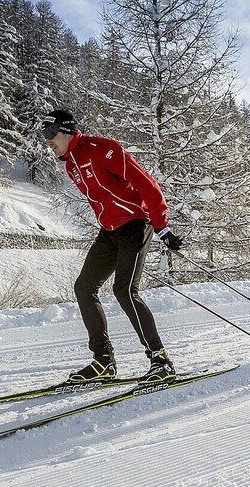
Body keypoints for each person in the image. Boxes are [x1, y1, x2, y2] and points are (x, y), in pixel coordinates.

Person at [42, 108, 184, 384]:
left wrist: (161, 225)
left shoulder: (102, 149)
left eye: (51, 133)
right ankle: (103, 362)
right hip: (109, 231)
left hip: (135, 224)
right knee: (84, 287)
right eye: (44, 135)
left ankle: (160, 360)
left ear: (68, 130)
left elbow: (146, 183)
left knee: (124, 290)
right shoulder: (71, 163)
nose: (47, 140)